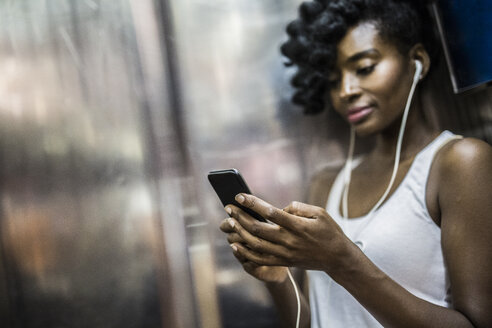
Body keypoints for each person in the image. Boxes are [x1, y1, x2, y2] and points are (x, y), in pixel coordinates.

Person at [219, 0, 492, 327]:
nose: (346, 91)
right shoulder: (328, 184)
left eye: (364, 68)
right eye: (334, 81)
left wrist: (342, 261)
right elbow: (313, 321)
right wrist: (277, 279)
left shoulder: (459, 163)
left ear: (417, 61)